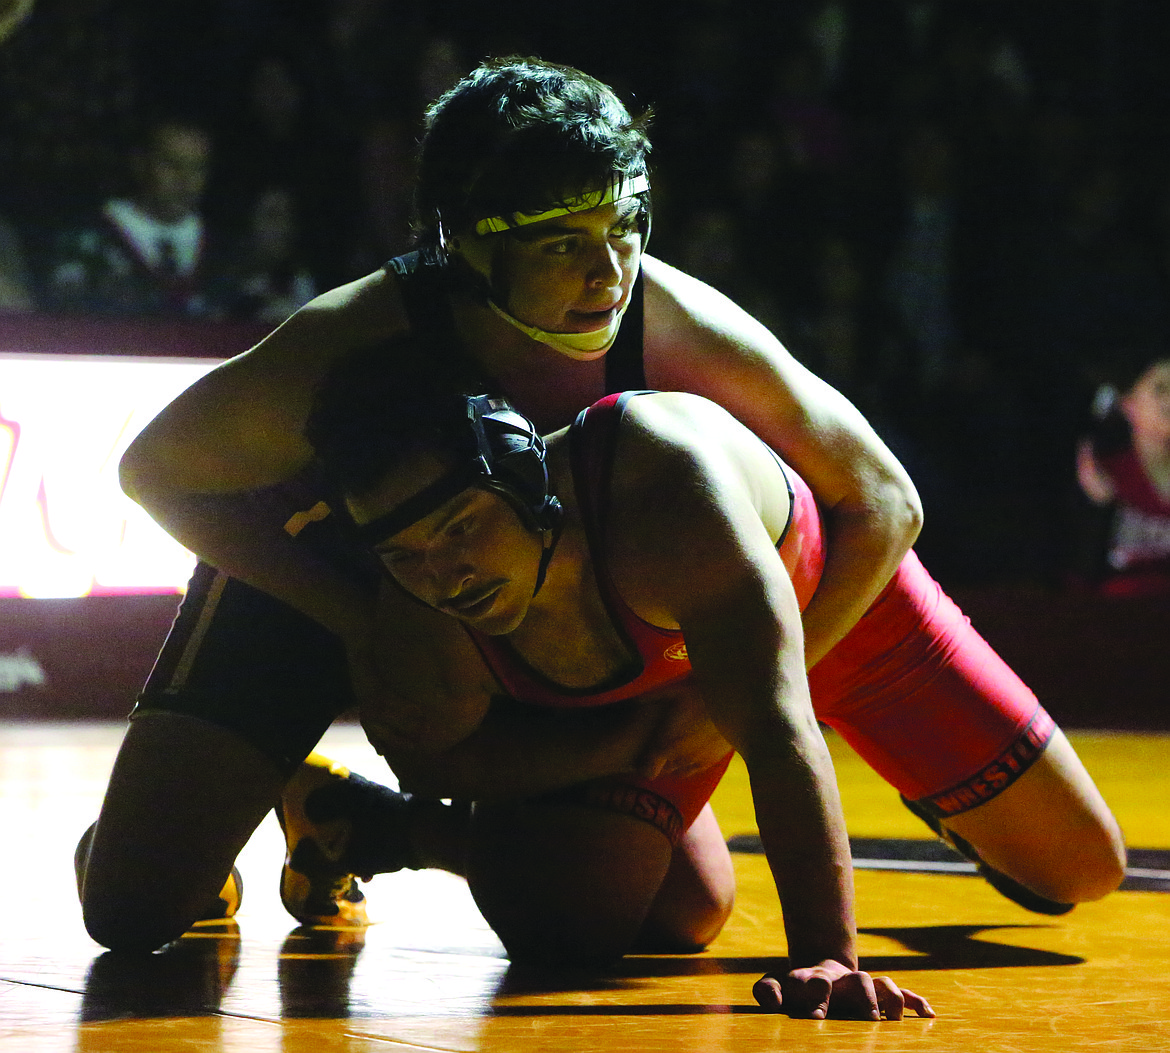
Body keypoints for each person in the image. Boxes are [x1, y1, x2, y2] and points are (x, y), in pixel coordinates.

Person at [77, 57, 1123, 986]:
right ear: (460, 246)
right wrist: (352, 611)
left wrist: (746, 692)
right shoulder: (356, 341)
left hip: (759, 590)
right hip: (461, 595)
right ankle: (376, 813)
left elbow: (885, 500)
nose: (608, 271)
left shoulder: (664, 322)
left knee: (1076, 867)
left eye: (626, 227)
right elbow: (156, 471)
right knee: (133, 910)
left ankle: (425, 819)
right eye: (564, 243)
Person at [300, 348, 933, 1018]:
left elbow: (779, 728)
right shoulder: (419, 604)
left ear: (521, 473)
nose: (446, 575)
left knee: (1056, 856)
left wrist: (829, 951)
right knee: (662, 916)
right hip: (673, 669)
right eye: (405, 554)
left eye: (462, 527)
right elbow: (432, 759)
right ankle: (390, 828)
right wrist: (631, 744)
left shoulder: (667, 491)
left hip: (840, 594)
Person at [38, 116, 222, 317]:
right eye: (172, 164)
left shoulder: (224, 247)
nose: (185, 180)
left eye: (197, 168)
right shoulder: (86, 241)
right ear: (140, 163)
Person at [1075, 350, 1170, 597]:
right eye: (1160, 388)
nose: (1169, 399)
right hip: (1122, 610)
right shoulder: (1104, 473)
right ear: (1128, 403)